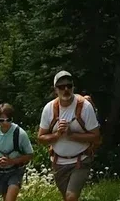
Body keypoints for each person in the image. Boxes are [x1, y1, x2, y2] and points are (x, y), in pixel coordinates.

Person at [38, 70, 101, 201]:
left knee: (71, 197)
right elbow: (41, 138)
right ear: (55, 90)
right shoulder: (49, 109)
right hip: (58, 162)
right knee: (66, 198)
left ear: (73, 87)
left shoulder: (84, 106)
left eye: (69, 86)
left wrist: (71, 135)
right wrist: (57, 134)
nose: (66, 89)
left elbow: (96, 136)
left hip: (81, 159)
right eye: (61, 87)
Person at [0, 103, 34, 201]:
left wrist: (12, 161)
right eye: (1, 120)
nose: (5, 123)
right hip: (0, 173)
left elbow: (30, 154)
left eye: (8, 120)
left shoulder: (20, 133)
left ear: (12, 119)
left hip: (16, 171)